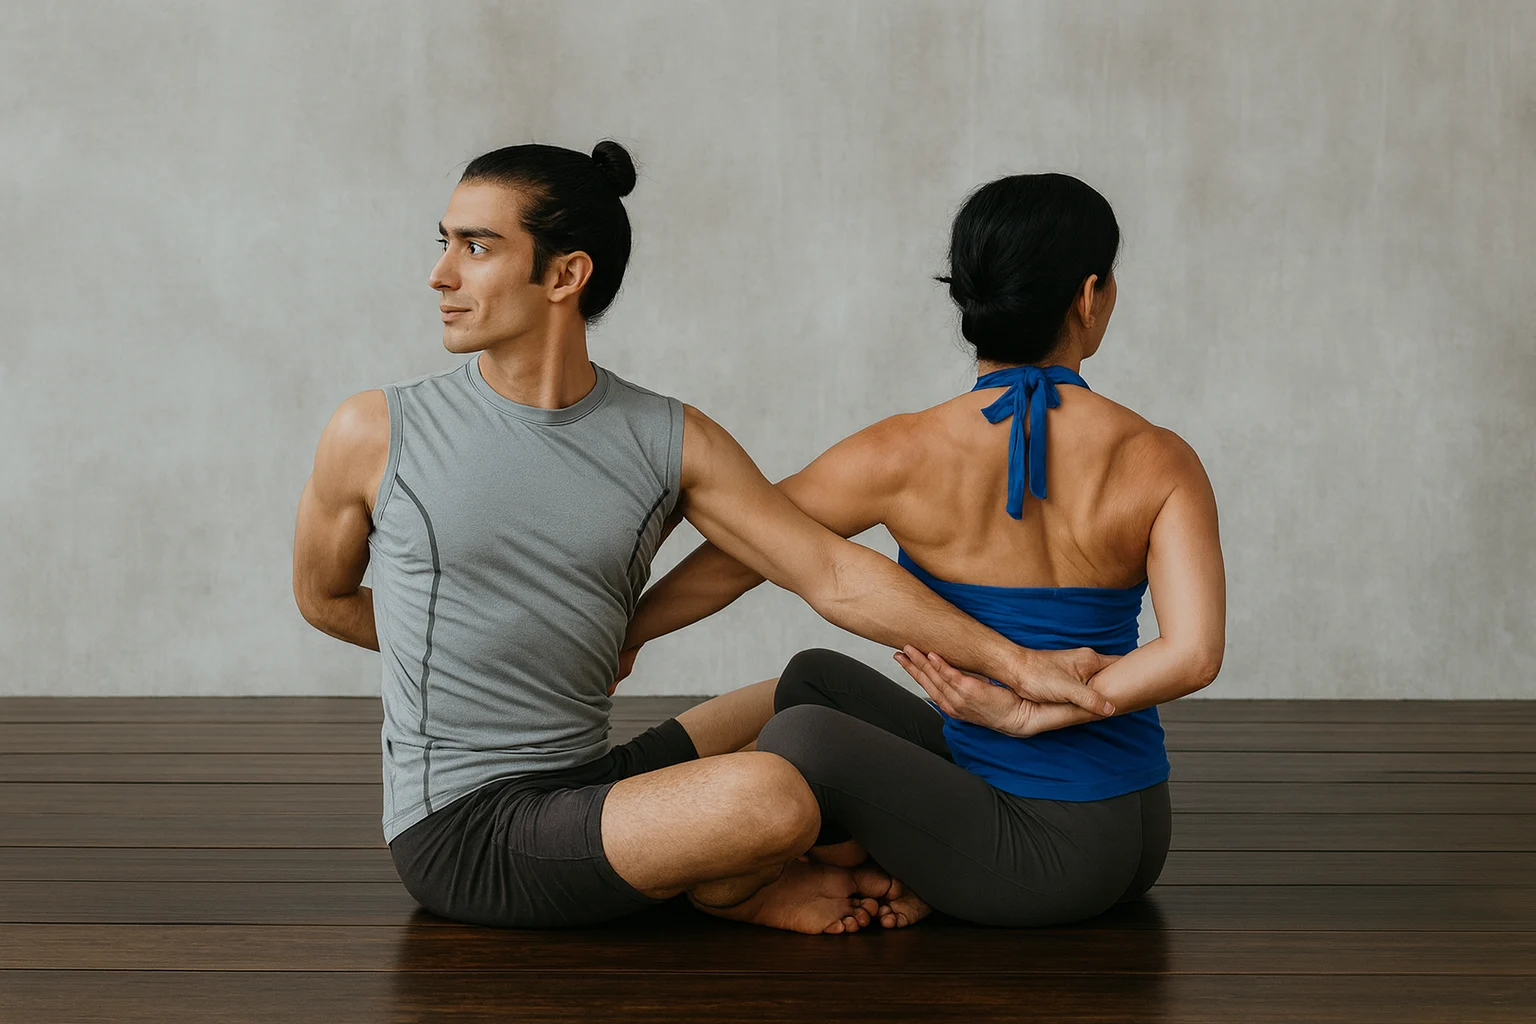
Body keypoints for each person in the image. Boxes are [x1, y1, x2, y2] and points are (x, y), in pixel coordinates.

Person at [291, 143, 1119, 935]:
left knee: (807, 693)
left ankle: (720, 859)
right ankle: (730, 893)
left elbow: (829, 569)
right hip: (468, 829)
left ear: (566, 274)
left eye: (476, 246)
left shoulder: (666, 437)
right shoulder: (377, 431)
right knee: (775, 798)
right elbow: (323, 599)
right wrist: (484, 650)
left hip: (592, 786)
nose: (440, 273)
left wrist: (1015, 665)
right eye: (446, 243)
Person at [619, 172, 1227, 929]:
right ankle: (901, 860)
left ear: (969, 298)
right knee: (815, 681)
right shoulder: (1159, 457)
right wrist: (1057, 705)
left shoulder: (901, 452)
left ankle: (843, 872)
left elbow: (745, 549)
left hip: (1036, 864)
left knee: (797, 735)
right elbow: (1195, 654)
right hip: (1135, 835)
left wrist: (632, 631)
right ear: (1089, 295)